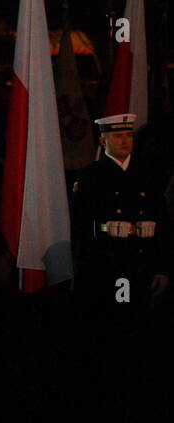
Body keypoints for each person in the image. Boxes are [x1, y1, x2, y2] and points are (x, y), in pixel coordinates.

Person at [70, 113, 170, 307]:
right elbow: (80, 225)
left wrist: (163, 268)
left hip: (143, 261)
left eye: (128, 135)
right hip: (105, 262)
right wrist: (83, 268)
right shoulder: (90, 176)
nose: (125, 141)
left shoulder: (147, 174)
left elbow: (162, 222)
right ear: (102, 141)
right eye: (117, 136)